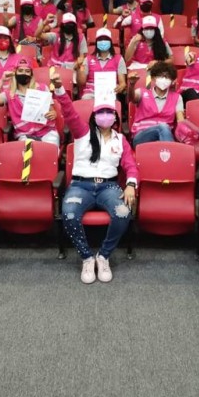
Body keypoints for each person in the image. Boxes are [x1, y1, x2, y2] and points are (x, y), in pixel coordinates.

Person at [52, 72, 138, 284]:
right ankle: (87, 258)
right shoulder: (82, 133)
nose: (105, 115)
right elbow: (69, 112)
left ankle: (104, 256)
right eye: (101, 112)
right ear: (94, 116)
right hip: (81, 186)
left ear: (116, 117)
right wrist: (60, 89)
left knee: (123, 212)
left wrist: (130, 185)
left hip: (109, 187)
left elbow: (130, 165)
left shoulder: (121, 139)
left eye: (109, 112)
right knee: (69, 213)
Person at [0, 58, 61, 147]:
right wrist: (2, 81)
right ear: (15, 73)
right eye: (20, 71)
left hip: (47, 131)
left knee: (51, 151)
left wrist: (53, 113)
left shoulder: (42, 88)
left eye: (27, 71)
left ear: (31, 74)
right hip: (25, 135)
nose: (24, 73)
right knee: (29, 154)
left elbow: (52, 110)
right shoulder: (9, 94)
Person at [128, 61, 184, 146]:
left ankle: (168, 150)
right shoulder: (142, 92)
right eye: (160, 76)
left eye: (167, 77)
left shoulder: (177, 97)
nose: (163, 79)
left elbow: (180, 120)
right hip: (141, 137)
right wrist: (132, 85)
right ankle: (171, 152)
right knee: (162, 127)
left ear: (172, 81)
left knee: (163, 128)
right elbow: (131, 98)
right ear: (153, 78)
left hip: (164, 137)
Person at [78, 28, 127, 100]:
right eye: (100, 40)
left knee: (113, 102)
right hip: (91, 92)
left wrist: (121, 87)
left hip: (110, 92)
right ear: (96, 42)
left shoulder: (119, 59)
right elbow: (81, 82)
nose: (103, 42)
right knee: (85, 98)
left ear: (110, 42)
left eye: (106, 40)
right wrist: (80, 66)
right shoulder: (88, 59)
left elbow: (122, 83)